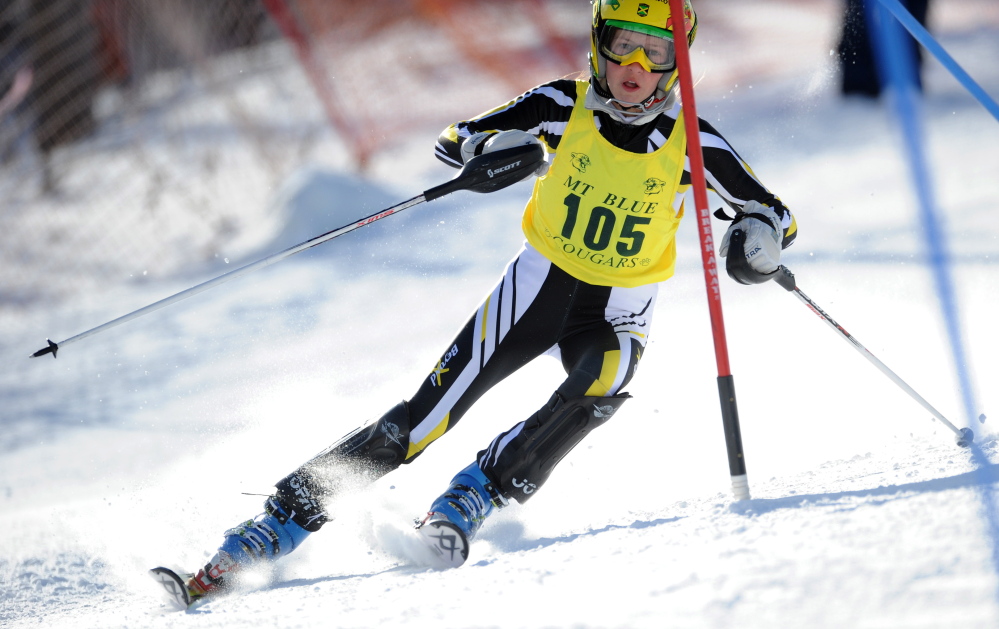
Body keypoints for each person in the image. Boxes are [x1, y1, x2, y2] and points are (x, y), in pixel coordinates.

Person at [180, 0, 797, 601]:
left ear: (677, 62)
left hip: (619, 310)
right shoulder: (563, 104)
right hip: (536, 289)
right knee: (422, 419)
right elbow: (460, 137)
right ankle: (278, 522)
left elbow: (773, 213)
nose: (635, 63)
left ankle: (477, 491)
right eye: (621, 44)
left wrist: (757, 237)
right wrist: (488, 154)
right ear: (597, 43)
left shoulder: (691, 141)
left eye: (656, 50)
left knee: (601, 380)